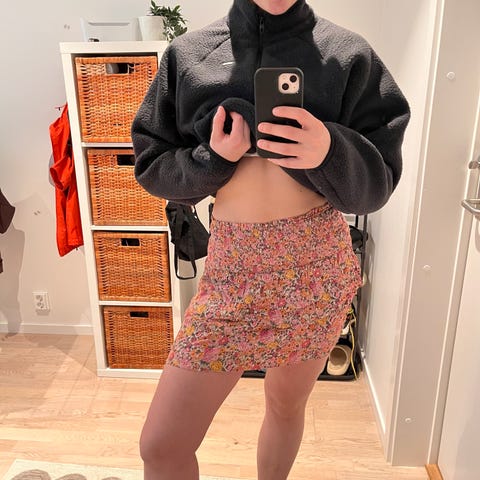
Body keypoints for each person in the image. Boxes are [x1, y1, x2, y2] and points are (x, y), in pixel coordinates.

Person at [131, 0, 410, 478]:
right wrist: (212, 159)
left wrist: (329, 150)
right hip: (232, 273)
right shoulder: (190, 55)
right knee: (160, 445)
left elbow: (378, 183)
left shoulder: (348, 54)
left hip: (315, 269)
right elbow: (151, 164)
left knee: (285, 405)